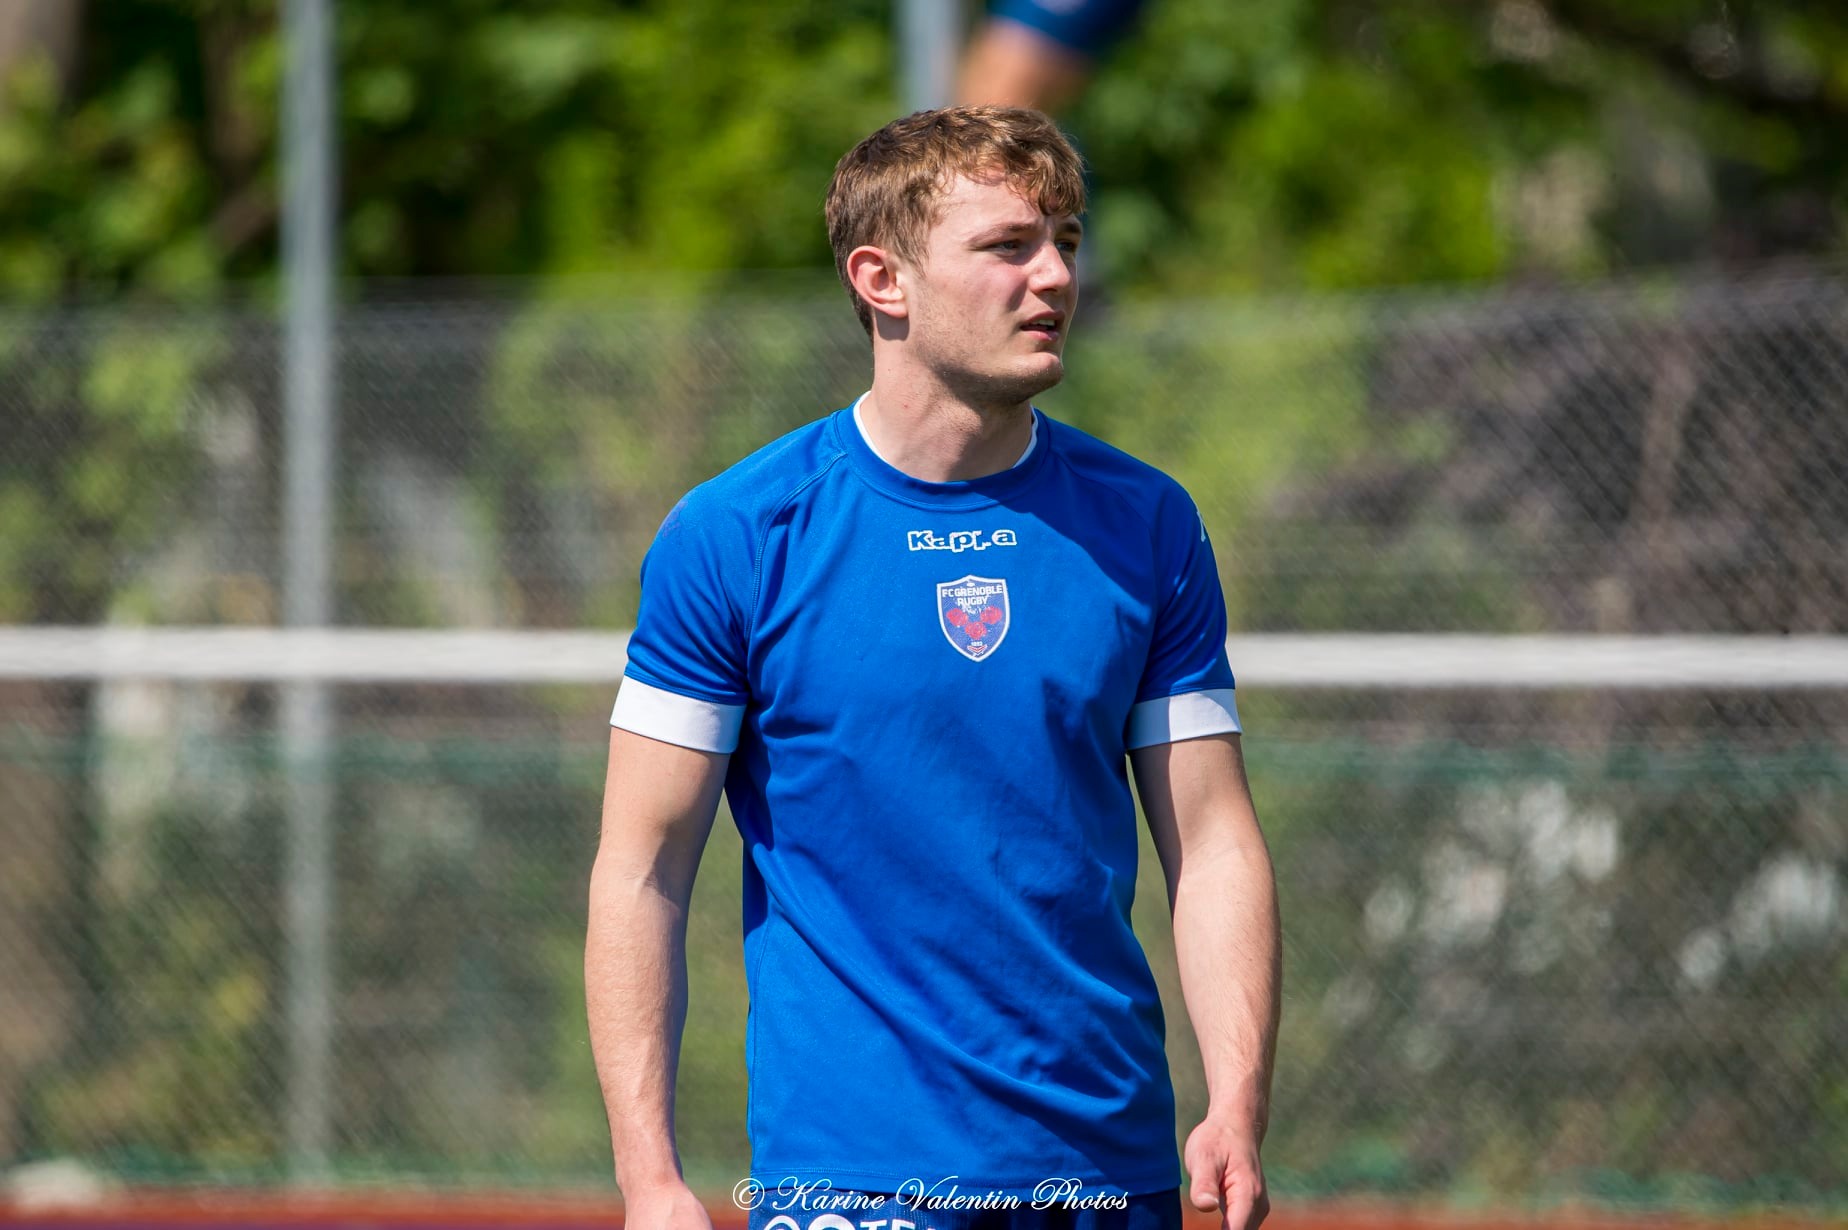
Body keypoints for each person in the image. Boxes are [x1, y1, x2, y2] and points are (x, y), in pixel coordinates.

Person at [585, 106, 1279, 1230]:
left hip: (1110, 1167)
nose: (1054, 276)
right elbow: (642, 867)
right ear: (883, 280)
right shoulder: (737, 534)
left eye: (1064, 238)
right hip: (854, 1180)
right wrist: (648, 1178)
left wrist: (1236, 1098)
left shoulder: (1147, 523)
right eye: (1008, 246)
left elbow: (1214, 841)